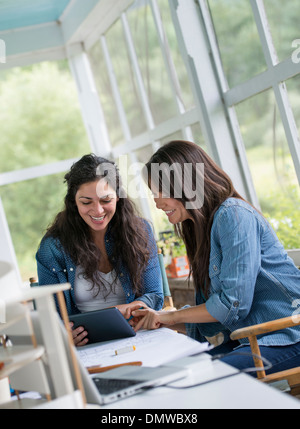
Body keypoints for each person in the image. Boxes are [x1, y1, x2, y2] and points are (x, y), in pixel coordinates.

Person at [131, 140, 300, 376]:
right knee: (177, 373)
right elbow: (216, 318)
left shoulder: (233, 214)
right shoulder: (200, 229)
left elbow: (232, 304)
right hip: (253, 338)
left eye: (160, 192)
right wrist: (162, 320)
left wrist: (170, 315)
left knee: (204, 378)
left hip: (289, 334)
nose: (157, 203)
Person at [36, 154, 163, 346]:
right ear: (73, 202)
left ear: (118, 196)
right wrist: (64, 333)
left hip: (140, 335)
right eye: (86, 202)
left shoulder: (141, 231)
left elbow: (155, 295)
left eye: (105, 200)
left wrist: (129, 309)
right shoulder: (52, 248)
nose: (97, 211)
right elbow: (51, 317)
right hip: (86, 346)